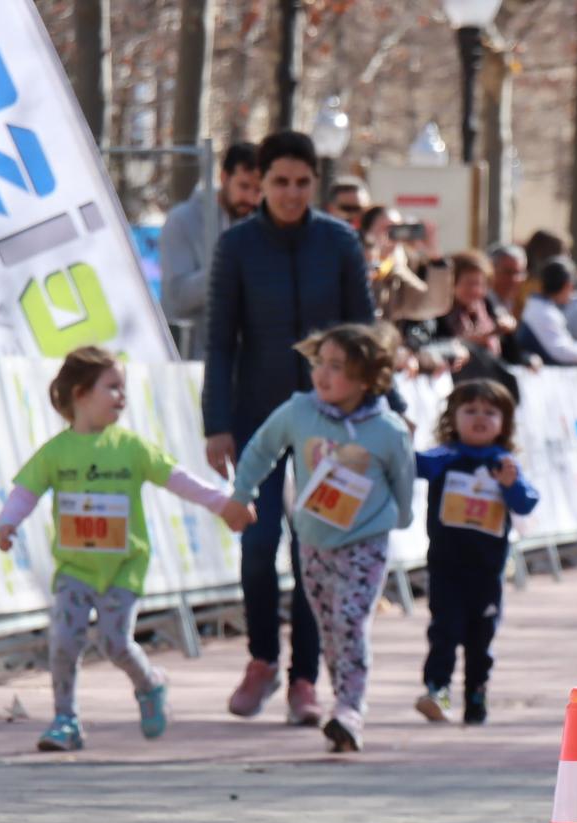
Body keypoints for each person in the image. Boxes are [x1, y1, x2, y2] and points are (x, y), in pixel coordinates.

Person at [201, 130, 376, 728]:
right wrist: (217, 423)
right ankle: (261, 660)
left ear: (315, 184)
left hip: (331, 423)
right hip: (257, 416)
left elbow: (364, 333)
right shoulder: (238, 246)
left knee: (315, 548)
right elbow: (219, 338)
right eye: (279, 182)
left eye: (303, 183)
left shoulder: (339, 241)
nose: (291, 193)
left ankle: (305, 678)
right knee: (256, 542)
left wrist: (375, 414)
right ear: (261, 182)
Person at [0, 348, 247, 751]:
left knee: (115, 642)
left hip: (123, 567)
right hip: (75, 567)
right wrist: (7, 523)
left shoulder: (131, 448)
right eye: (111, 387)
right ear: (80, 394)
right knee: (64, 642)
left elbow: (178, 479)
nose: (121, 397)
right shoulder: (56, 452)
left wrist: (222, 504)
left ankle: (149, 684)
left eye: (123, 389)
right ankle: (66, 720)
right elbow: (25, 490)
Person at [218, 325, 416, 754]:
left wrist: (400, 517)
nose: (322, 375)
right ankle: (341, 703)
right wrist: (242, 494)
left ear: (367, 378)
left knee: (350, 621)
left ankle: (350, 708)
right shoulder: (298, 413)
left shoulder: (388, 429)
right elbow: (259, 450)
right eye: (319, 363)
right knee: (330, 627)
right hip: (313, 540)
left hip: (366, 540)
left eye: (337, 367)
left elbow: (403, 477)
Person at [413, 380, 539, 726]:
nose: (479, 418)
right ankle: (437, 690)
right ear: (453, 417)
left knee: (480, 638)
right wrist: (400, 440)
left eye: (490, 412)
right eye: (470, 411)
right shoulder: (445, 458)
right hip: (446, 565)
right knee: (445, 630)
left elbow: (527, 503)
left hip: (487, 571)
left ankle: (476, 695)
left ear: (505, 422)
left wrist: (512, 485)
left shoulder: (504, 464)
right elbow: (413, 465)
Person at [158, 143, 261, 357]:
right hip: (192, 360)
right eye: (244, 186)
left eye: (258, 190)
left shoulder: (260, 225)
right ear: (224, 178)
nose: (251, 198)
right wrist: (227, 269)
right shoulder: (183, 220)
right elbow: (177, 297)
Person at [517, 259, 577, 366]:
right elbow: (562, 353)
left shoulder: (544, 308)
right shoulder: (543, 312)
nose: (573, 293)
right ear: (567, 285)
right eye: (573, 287)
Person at [488, 244, 528, 317]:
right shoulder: (479, 305)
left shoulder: (522, 305)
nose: (514, 279)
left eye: (518, 273)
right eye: (507, 272)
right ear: (491, 271)